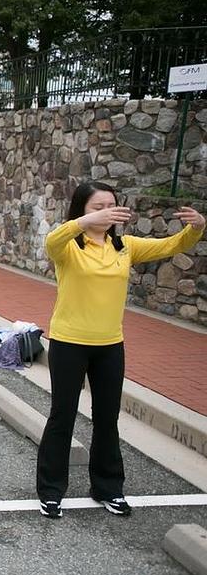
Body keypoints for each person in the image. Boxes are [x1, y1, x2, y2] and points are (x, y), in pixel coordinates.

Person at [36, 182, 204, 520]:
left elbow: (170, 245)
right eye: (99, 206)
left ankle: (108, 487)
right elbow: (51, 241)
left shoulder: (124, 246)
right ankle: (51, 491)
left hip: (110, 345)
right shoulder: (70, 247)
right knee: (62, 417)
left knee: (107, 419)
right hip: (69, 343)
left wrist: (196, 228)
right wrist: (84, 224)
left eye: (112, 205)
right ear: (83, 210)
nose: (108, 211)